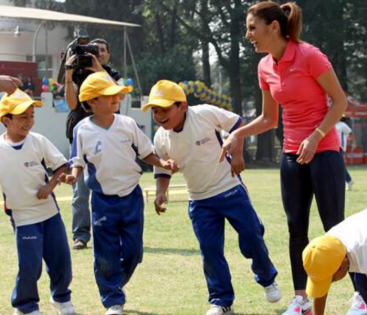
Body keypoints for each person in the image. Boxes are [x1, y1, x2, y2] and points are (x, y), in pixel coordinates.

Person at [220, 3, 348, 313]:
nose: (248, 34)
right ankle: (301, 298)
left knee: (335, 227)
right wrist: (238, 134)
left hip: (325, 151)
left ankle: (361, 295)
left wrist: (316, 136)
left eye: (252, 28)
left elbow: (340, 102)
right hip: (291, 154)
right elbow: (268, 118)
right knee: (296, 228)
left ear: (273, 28)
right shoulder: (265, 66)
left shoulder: (309, 56)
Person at [143, 80, 281, 315]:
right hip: (199, 200)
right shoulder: (160, 138)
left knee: (252, 236)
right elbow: (163, 168)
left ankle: (268, 278)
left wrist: (237, 155)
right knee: (210, 251)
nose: (159, 115)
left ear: (182, 106)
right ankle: (221, 301)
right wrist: (160, 192)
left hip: (230, 189)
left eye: (164, 109)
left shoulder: (204, 114)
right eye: (155, 111)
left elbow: (238, 123)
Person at [61, 72, 176, 315]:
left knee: (134, 252)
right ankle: (113, 300)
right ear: (92, 102)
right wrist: (73, 176)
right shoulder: (82, 130)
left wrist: (162, 163)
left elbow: (146, 152)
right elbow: (78, 161)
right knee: (106, 252)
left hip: (131, 198)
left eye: (117, 95)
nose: (116, 99)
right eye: (110, 96)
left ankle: (114, 282)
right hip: (103, 201)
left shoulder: (128, 124)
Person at [0, 89, 76, 315]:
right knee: (30, 265)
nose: (29, 122)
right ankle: (26, 306)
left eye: (32, 116)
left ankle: (61, 298)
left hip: (49, 212)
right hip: (22, 216)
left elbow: (62, 165)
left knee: (61, 259)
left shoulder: (38, 141)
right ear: (6, 120)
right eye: (23, 117)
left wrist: (50, 186)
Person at [64, 38, 122, 250]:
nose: (97, 54)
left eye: (102, 51)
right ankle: (81, 235)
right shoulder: (77, 74)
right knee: (80, 190)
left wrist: (98, 69)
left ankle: (110, 231)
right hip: (80, 135)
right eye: (92, 51)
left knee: (110, 186)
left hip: (109, 135)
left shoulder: (111, 75)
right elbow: (71, 104)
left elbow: (117, 96)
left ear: (108, 55)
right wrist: (69, 74)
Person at [335, 118, 354, 190]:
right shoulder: (331, 125)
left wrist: (352, 143)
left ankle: (348, 180)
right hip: (332, 147)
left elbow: (350, 133)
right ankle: (348, 180)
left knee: (339, 167)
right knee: (338, 167)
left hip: (340, 148)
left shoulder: (342, 125)